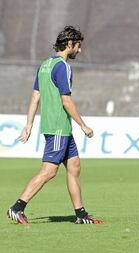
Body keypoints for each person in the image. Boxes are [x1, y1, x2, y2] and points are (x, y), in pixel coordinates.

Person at [7, 26, 103, 225]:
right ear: (70, 44)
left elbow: (35, 96)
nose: (80, 50)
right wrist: (83, 126)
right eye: (78, 46)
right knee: (49, 171)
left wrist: (29, 124)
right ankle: (17, 208)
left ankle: (81, 215)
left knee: (74, 166)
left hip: (58, 128)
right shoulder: (62, 66)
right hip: (59, 127)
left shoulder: (44, 65)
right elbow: (66, 101)